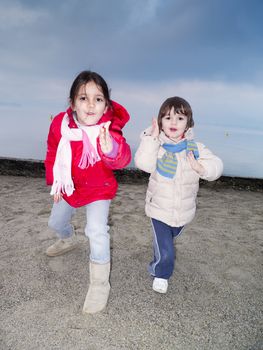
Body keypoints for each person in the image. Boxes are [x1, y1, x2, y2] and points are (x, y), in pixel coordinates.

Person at [44, 70, 131, 313]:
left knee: (96, 231)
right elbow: (52, 151)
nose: (91, 104)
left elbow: (122, 158)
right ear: (72, 103)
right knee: (55, 222)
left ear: (106, 106)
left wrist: (110, 149)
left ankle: (100, 283)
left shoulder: (108, 130)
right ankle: (69, 238)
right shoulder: (60, 125)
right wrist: (55, 182)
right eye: (83, 98)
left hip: (98, 189)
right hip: (69, 185)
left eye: (98, 98)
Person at [134, 96, 223, 294]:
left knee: (171, 237)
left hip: (183, 210)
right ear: (160, 122)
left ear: (188, 124)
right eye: (167, 118)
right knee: (166, 250)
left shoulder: (196, 148)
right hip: (159, 208)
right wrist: (151, 138)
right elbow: (143, 163)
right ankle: (160, 273)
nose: (173, 123)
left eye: (180, 118)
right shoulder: (156, 146)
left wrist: (201, 167)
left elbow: (217, 165)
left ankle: (161, 254)